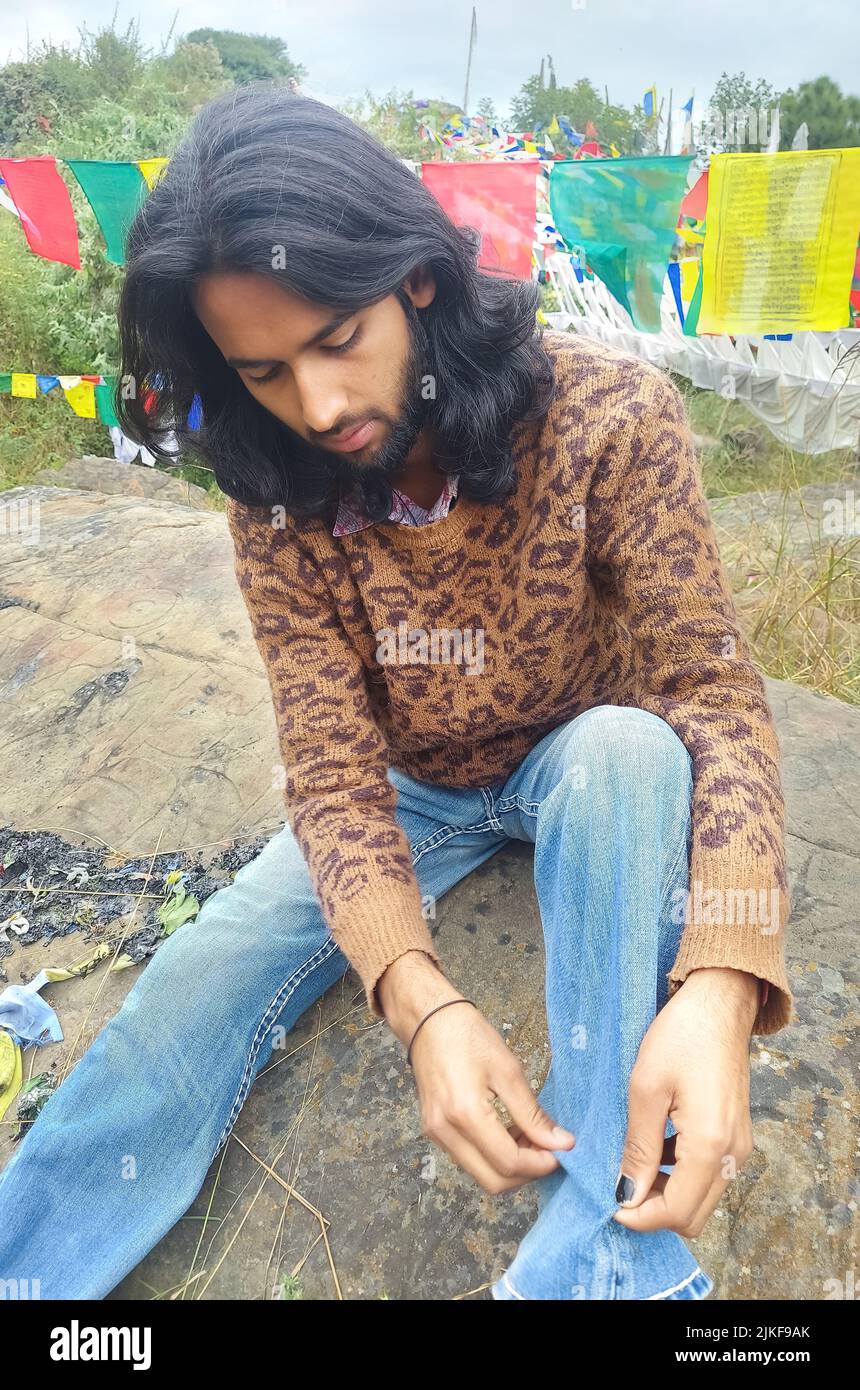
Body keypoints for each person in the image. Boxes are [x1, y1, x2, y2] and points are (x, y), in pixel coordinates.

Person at [0, 83, 793, 1301]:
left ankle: (601, 1258)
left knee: (634, 747)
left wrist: (720, 981)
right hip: (409, 791)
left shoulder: (605, 417)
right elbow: (327, 766)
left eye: (333, 341)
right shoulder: (275, 484)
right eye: (262, 371)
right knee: (193, 985)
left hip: (585, 759)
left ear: (414, 279)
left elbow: (711, 691)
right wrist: (422, 1004)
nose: (315, 407)